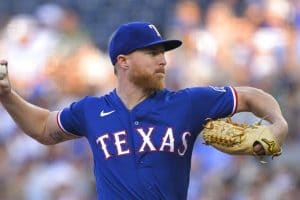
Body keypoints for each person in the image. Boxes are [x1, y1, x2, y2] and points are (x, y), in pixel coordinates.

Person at [0, 22, 288, 199]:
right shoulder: (91, 110)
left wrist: (277, 125)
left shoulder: (188, 103)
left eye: (163, 53)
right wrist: (8, 95)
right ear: (123, 61)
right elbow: (43, 128)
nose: (162, 60)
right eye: (152, 53)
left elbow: (253, 96)